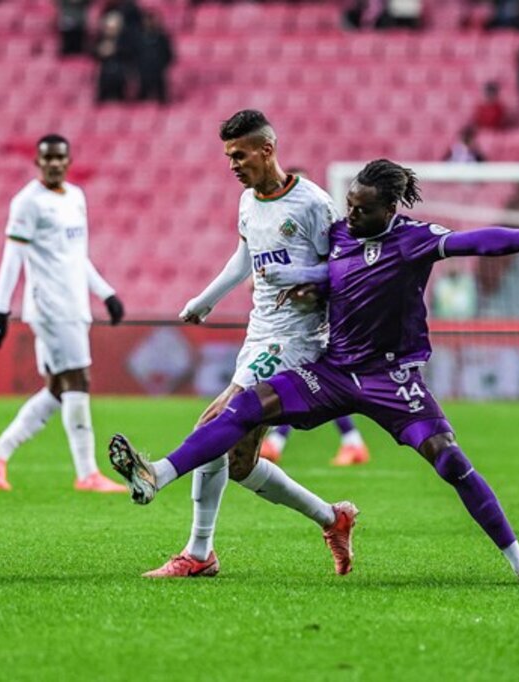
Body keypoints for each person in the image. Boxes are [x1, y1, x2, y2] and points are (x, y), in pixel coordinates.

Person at [110, 159, 519, 587]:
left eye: (363, 210)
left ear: (390, 209)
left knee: (450, 461)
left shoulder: (413, 240)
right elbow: (332, 273)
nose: (351, 216)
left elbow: (479, 243)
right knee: (244, 407)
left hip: (392, 379)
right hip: (335, 370)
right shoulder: (341, 235)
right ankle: (160, 474)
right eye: (350, 206)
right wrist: (306, 285)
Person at [142, 110, 359, 579]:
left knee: (214, 423)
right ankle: (332, 518)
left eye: (240, 155)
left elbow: (343, 270)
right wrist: (205, 300)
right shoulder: (246, 201)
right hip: (258, 333)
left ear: (267, 149)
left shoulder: (313, 204)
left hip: (297, 338)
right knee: (240, 462)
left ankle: (196, 548)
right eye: (228, 157)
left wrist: (312, 292)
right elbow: (245, 257)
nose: (233, 165)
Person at [0, 134, 128, 494]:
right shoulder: (27, 203)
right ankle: (87, 474)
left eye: (60, 158)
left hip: (75, 303)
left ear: (68, 161)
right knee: (79, 380)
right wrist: (0, 312)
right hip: (50, 305)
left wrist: (105, 293)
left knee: (58, 389)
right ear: (38, 162)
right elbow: (12, 258)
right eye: (48, 158)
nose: (55, 163)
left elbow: (75, 255)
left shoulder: (76, 197)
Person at [259, 165, 372, 467]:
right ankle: (350, 443)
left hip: (323, 317)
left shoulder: (327, 225)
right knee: (306, 379)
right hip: (294, 317)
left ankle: (277, 441)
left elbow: (337, 268)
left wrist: (305, 284)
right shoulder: (281, 227)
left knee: (303, 378)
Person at [136, 11, 173, 104]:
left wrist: (161, 65)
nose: (149, 23)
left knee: (161, 98)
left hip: (158, 72)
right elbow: (134, 54)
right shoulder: (138, 38)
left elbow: (169, 55)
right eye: (147, 21)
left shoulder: (162, 38)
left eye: (151, 20)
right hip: (143, 73)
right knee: (142, 100)